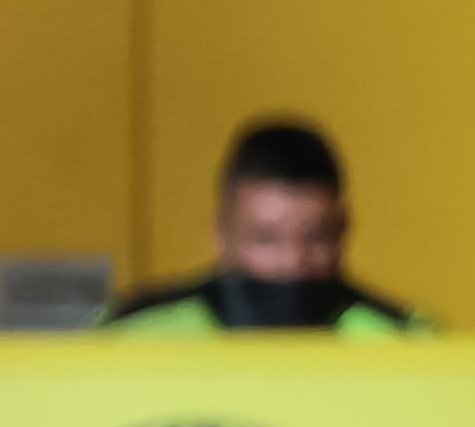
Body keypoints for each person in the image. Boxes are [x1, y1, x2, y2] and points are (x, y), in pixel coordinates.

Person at [103, 118, 423, 334]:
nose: (293, 261)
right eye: (266, 238)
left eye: (315, 237)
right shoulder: (132, 335)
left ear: (343, 230)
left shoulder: (406, 343)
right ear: (222, 232)